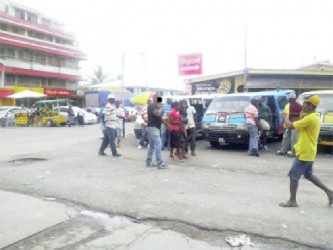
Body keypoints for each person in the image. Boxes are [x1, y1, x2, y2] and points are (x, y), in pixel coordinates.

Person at [279, 95, 333, 208]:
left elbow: (290, 126)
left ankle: (292, 201)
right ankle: (329, 191)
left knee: (293, 176)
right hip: (308, 150)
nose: (302, 105)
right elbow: (300, 127)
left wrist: (285, 117)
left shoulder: (310, 118)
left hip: (305, 151)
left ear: (311, 106)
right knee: (308, 175)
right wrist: (301, 117)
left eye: (305, 104)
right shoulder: (312, 116)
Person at [277, 92, 302, 157]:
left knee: (294, 139)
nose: (289, 99)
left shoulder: (298, 105)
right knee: (286, 137)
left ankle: (294, 152)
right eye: (289, 98)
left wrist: (293, 121)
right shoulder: (287, 105)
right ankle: (283, 151)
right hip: (288, 123)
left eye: (291, 98)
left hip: (295, 124)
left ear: (294, 98)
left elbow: (299, 116)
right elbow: (284, 114)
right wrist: (283, 123)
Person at [146, 95, 167, 168]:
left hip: (155, 128)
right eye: (158, 98)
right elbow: (157, 113)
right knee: (159, 144)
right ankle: (160, 163)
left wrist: (166, 124)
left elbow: (160, 117)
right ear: (154, 99)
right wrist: (161, 107)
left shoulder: (156, 106)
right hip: (153, 128)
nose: (159, 99)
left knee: (152, 145)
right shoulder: (152, 106)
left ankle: (148, 161)